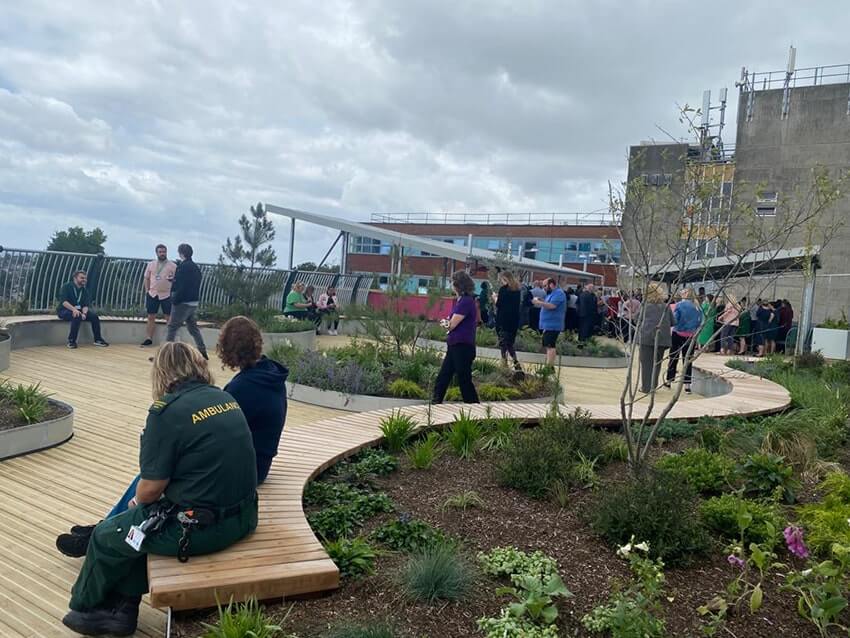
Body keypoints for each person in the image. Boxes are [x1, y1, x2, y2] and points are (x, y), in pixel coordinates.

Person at [60, 342, 258, 636]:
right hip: (243, 516)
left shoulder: (166, 413)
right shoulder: (223, 397)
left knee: (108, 535)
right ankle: (122, 609)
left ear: (162, 372)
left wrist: (136, 503)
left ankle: (87, 608)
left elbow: (151, 488)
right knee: (138, 531)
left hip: (202, 529)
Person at [56, 319, 286, 558]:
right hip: (253, 460)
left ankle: (102, 532)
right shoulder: (268, 374)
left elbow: (212, 435)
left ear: (228, 349)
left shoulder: (240, 388)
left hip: (243, 469)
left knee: (154, 477)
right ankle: (104, 526)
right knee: (157, 473)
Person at [432, 271, 480, 404]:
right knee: (444, 375)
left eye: (452, 282)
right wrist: (447, 322)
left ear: (458, 284)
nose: (451, 284)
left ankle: (474, 407)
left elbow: (452, 324)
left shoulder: (465, 301)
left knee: (464, 379)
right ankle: (435, 402)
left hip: (462, 346)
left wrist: (444, 323)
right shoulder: (462, 301)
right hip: (455, 345)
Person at [165, 243, 208, 359]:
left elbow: (182, 286)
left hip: (183, 302)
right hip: (193, 302)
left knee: (172, 327)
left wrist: (175, 300)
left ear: (181, 253)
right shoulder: (195, 267)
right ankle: (202, 351)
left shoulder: (183, 267)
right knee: (193, 328)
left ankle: (165, 355)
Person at [635, 282, 672, 394]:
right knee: (657, 363)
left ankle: (646, 388)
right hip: (661, 339)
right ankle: (653, 386)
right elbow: (672, 322)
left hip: (646, 338)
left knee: (646, 364)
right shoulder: (666, 307)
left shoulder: (644, 306)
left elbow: (637, 319)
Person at [57, 270, 109, 349]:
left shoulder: (84, 290)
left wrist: (84, 313)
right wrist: (74, 310)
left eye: (85, 278)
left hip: (79, 311)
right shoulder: (66, 286)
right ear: (75, 278)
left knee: (94, 317)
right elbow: (64, 302)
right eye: (82, 278)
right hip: (65, 310)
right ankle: (71, 341)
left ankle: (98, 339)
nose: (84, 280)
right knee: (77, 316)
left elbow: (85, 305)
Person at [666, 288, 701, 394]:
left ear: (686, 294)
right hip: (691, 336)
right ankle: (687, 385)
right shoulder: (697, 307)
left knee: (673, 357)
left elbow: (675, 320)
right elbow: (700, 322)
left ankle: (669, 380)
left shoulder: (680, 305)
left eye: (683, 292)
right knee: (688, 361)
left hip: (678, 334)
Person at [140, 244, 177, 347]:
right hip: (153, 294)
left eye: (164, 252)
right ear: (156, 253)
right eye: (160, 252)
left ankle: (170, 340)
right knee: (151, 316)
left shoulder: (173, 266)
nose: (162, 254)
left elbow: (177, 280)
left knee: (169, 317)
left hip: (166, 294)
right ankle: (148, 338)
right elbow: (146, 278)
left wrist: (172, 280)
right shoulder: (151, 264)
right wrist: (147, 291)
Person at [533, 278, 567, 365]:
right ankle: (549, 366)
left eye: (545, 286)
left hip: (553, 324)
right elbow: (549, 303)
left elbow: (552, 306)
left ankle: (549, 367)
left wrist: (539, 303)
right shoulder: (551, 294)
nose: (544, 288)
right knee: (548, 345)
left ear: (551, 285)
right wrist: (542, 300)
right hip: (548, 324)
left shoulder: (559, 293)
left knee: (550, 345)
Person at [494, 271, 522, 370]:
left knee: (503, 342)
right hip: (513, 320)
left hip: (503, 319)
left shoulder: (503, 290)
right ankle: (515, 362)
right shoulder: (517, 290)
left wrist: (495, 298)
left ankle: (504, 362)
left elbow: (499, 305)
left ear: (504, 279)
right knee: (509, 342)